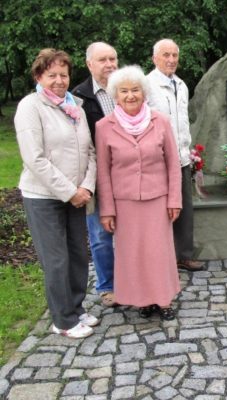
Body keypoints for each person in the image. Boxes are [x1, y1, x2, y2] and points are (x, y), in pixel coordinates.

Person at [15, 48, 98, 338]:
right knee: (56, 259)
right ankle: (63, 320)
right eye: (52, 75)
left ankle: (76, 308)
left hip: (77, 194)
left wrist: (86, 186)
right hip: (44, 197)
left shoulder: (75, 104)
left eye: (63, 74)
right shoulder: (31, 106)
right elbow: (34, 158)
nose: (59, 80)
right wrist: (69, 191)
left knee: (77, 255)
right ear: (39, 76)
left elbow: (90, 150)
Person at [96, 65, 182, 320]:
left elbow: (173, 163)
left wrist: (174, 199)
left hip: (158, 199)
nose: (130, 95)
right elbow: (103, 171)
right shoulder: (104, 126)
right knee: (133, 254)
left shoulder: (161, 121)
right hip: (125, 203)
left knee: (159, 251)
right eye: (124, 91)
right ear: (115, 95)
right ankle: (143, 300)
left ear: (143, 93)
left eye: (135, 90)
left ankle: (163, 299)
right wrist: (107, 209)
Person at [146, 38, 203, 272]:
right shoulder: (147, 85)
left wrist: (187, 151)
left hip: (181, 158)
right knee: (160, 211)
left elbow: (182, 123)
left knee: (184, 209)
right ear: (154, 58)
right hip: (157, 160)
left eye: (174, 55)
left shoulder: (181, 84)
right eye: (166, 55)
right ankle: (162, 258)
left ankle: (184, 255)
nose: (171, 60)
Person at [72, 42, 118, 308]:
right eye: (103, 60)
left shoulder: (127, 89)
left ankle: (132, 279)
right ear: (90, 64)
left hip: (125, 174)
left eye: (113, 58)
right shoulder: (79, 96)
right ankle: (107, 286)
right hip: (95, 175)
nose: (109, 64)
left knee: (131, 232)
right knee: (100, 236)